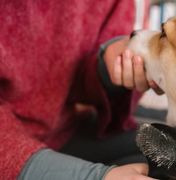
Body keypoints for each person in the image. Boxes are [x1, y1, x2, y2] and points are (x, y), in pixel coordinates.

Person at [0, 0, 155, 179]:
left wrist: (105, 67)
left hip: (64, 131)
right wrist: (92, 176)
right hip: (9, 146)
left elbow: (76, 76)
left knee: (171, 158)